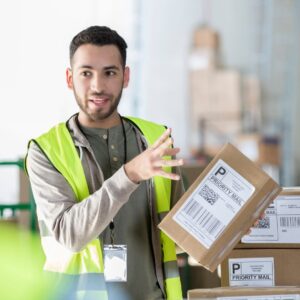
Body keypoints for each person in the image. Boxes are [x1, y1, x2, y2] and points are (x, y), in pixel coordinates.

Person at [26, 25, 185, 300]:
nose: (98, 86)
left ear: (125, 77)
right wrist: (130, 174)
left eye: (109, 73)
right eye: (86, 73)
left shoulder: (156, 138)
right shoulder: (46, 151)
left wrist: (235, 226)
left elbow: (183, 235)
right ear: (69, 78)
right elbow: (70, 235)